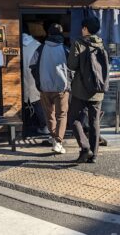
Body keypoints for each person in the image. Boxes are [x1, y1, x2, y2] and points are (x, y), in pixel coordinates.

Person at [67, 17, 109, 164]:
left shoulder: (78, 43)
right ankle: (94, 155)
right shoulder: (101, 43)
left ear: (85, 28)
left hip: (80, 89)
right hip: (98, 90)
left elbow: (71, 65)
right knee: (94, 122)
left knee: (74, 119)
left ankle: (85, 148)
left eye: (82, 27)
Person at [30, 23, 72, 154]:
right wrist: (70, 82)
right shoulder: (66, 49)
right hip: (62, 88)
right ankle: (58, 141)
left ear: (48, 34)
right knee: (61, 115)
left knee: (49, 115)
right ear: (61, 34)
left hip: (45, 88)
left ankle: (54, 138)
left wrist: (39, 82)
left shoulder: (40, 49)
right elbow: (73, 68)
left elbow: (32, 66)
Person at [21, 24, 50, 136]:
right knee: (38, 102)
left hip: (23, 79)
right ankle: (46, 126)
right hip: (36, 78)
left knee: (29, 103)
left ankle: (28, 126)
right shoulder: (38, 45)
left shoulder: (17, 44)